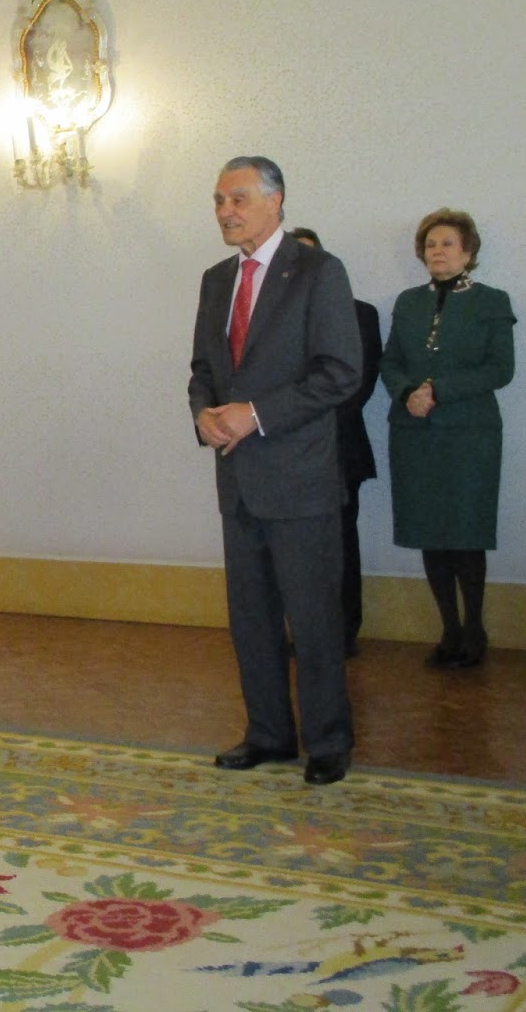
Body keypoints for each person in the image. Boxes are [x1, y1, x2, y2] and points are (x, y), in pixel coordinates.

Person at [187, 158, 361, 786]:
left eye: (237, 198)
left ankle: (328, 742)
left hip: (300, 479)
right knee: (251, 621)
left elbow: (340, 372)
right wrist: (204, 415)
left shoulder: (318, 271)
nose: (225, 211)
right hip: (237, 482)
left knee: (313, 621)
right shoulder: (216, 280)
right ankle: (268, 734)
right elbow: (203, 370)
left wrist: (255, 414)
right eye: (218, 201)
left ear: (275, 200)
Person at [379, 210, 515, 669]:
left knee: (465, 533)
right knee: (429, 532)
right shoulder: (408, 302)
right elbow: (390, 361)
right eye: (431, 244)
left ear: (468, 251)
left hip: (470, 437)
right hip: (414, 433)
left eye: (448, 243)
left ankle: (474, 628)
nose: (437, 251)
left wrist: (438, 391)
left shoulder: (492, 300)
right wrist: (406, 394)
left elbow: (501, 369)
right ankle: (449, 629)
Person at [290, 228, 382, 657]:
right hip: (284, 452)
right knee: (294, 549)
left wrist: (307, 424)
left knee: (341, 542)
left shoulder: (360, 313)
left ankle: (344, 632)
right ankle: (303, 632)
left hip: (339, 447)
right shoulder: (268, 317)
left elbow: (358, 383)